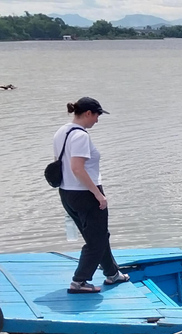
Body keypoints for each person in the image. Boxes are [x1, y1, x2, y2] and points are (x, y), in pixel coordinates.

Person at [55, 97, 128, 294]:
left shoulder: (61, 132)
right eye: (97, 115)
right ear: (88, 113)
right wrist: (98, 195)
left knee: (98, 236)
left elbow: (60, 164)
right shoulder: (81, 136)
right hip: (86, 193)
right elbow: (77, 168)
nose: (97, 120)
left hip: (67, 193)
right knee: (96, 241)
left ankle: (112, 273)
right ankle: (79, 281)